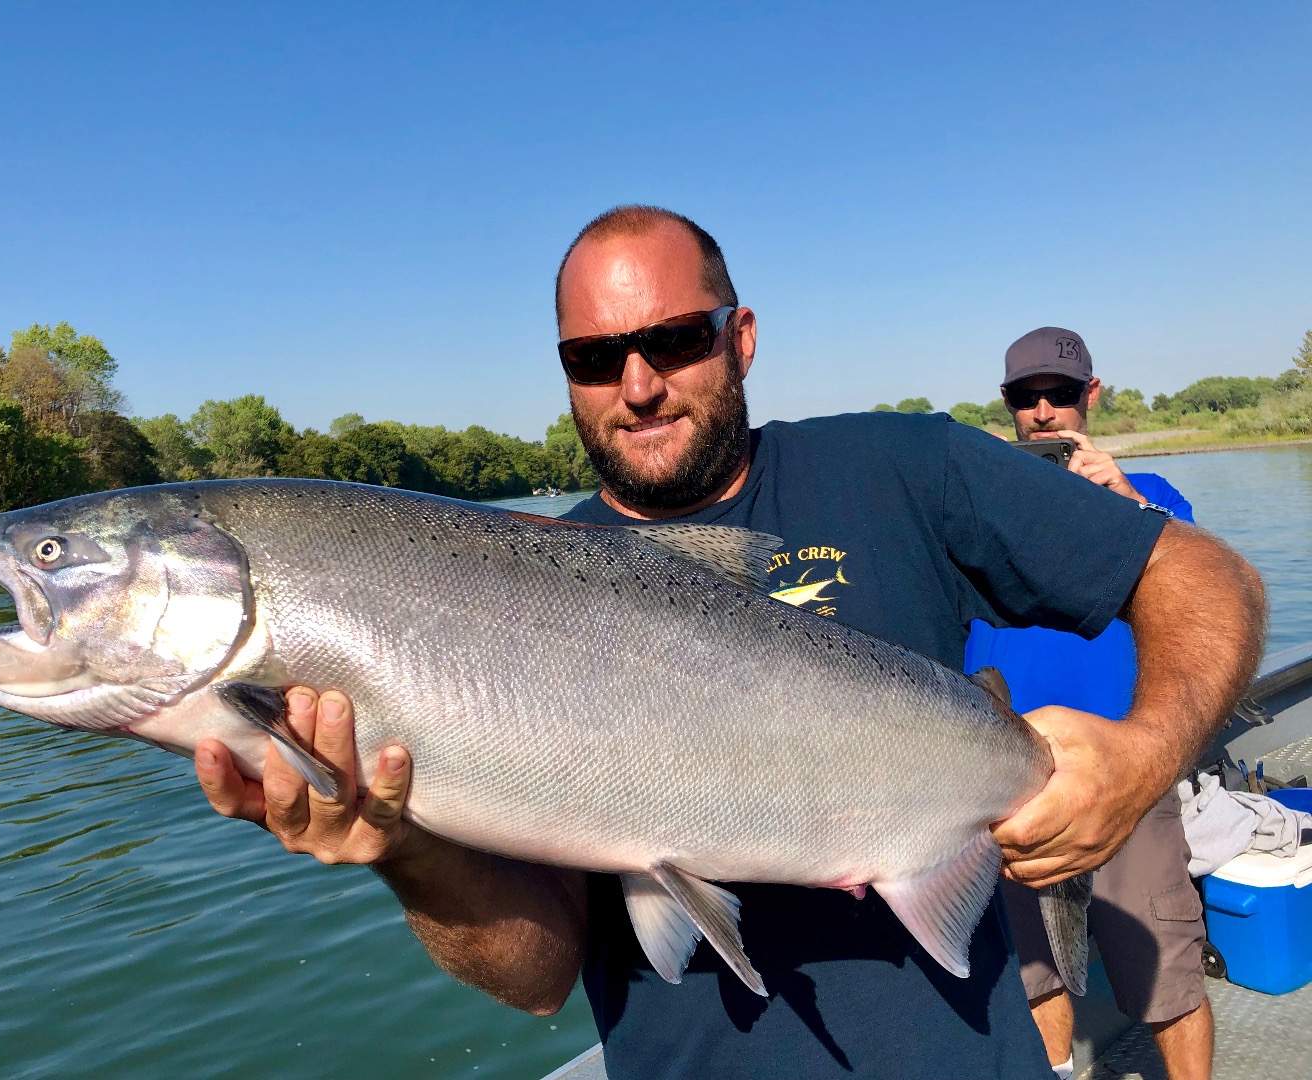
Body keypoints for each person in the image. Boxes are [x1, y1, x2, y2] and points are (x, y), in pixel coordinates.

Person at [194, 207, 1264, 1079]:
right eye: (594, 355)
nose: (638, 383)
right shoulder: (504, 604)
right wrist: (403, 845)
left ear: (740, 337)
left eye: (672, 340)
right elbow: (533, 977)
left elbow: (1208, 578)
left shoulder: (906, 469)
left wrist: (1146, 756)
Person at [965, 327, 1211, 1080]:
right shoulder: (974, 506)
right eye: (1025, 396)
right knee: (1033, 974)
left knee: (1165, 969)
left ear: (1090, 395)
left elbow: (1201, 598)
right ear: (1006, 404)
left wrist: (1129, 505)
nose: (1044, 411)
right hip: (1005, 776)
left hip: (1127, 768)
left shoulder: (1151, 500)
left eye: (1060, 393)